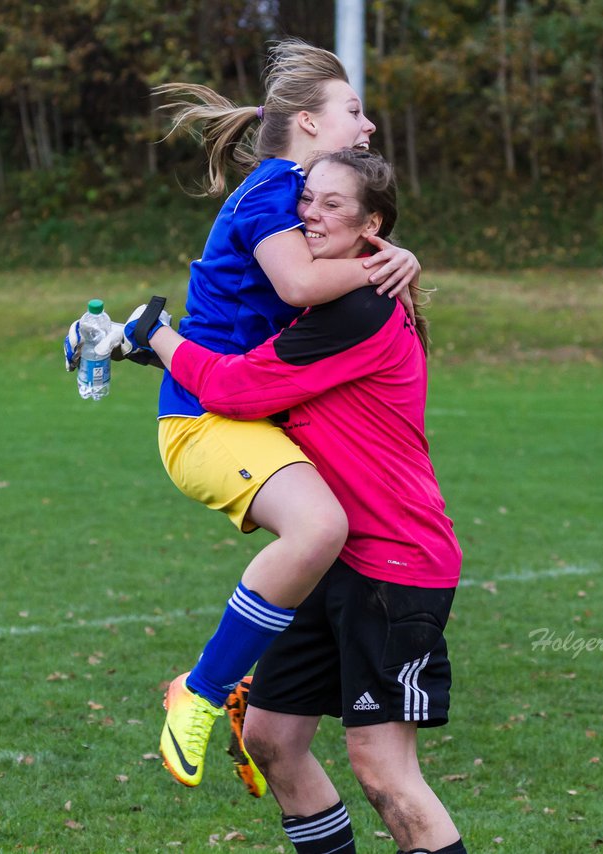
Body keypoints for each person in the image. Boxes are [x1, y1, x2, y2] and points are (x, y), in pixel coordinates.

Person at [124, 148, 465, 854]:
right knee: (273, 740)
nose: (308, 213)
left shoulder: (360, 308)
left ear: (372, 224)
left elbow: (236, 391)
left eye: (332, 205)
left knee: (385, 771)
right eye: (306, 199)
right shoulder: (334, 297)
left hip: (396, 567)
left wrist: (156, 336)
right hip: (337, 555)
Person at [141, 38, 422, 797]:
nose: (366, 128)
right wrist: (383, 258)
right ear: (305, 123)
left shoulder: (297, 195)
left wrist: (399, 256)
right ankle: (198, 689)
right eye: (353, 112)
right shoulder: (273, 188)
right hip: (204, 415)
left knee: (329, 545)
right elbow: (299, 284)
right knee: (321, 529)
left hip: (245, 413)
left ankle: (242, 695)